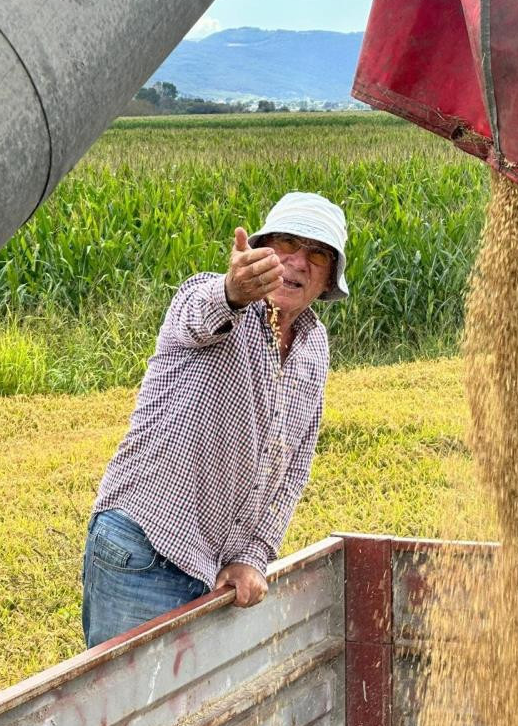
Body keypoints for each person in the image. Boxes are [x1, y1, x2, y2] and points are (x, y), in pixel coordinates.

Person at [81, 191, 348, 647]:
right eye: (286, 244)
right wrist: (234, 291)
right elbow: (202, 310)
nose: (298, 262)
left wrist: (253, 555)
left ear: (328, 282)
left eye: (317, 254)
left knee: (186, 713)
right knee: (128, 712)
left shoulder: (313, 346)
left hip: (215, 570)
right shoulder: (216, 299)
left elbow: (294, 466)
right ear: (260, 251)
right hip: (143, 545)